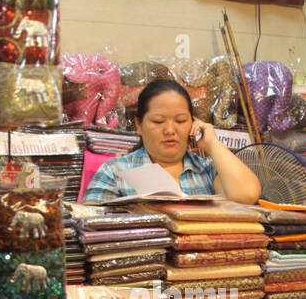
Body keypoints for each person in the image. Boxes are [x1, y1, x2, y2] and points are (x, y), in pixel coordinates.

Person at [82, 78, 261, 205]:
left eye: (181, 121)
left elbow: (246, 196)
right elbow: (90, 225)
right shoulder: (115, 171)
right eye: (158, 121)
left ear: (193, 122)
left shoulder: (208, 170)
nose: (170, 130)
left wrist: (212, 144)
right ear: (139, 124)